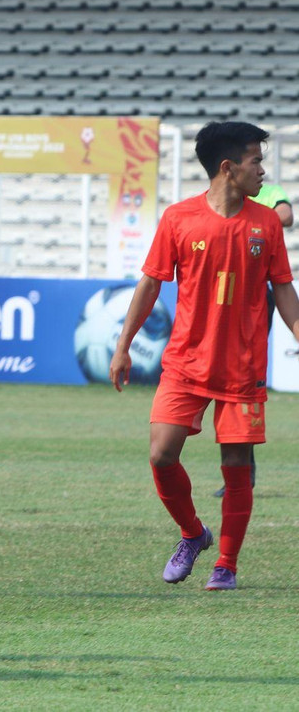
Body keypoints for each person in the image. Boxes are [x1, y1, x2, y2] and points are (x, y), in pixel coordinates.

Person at [110, 121, 299, 591]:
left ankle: (227, 566)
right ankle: (194, 534)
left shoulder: (265, 222)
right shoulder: (179, 219)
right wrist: (123, 345)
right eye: (256, 161)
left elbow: (283, 289)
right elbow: (151, 283)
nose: (263, 170)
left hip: (242, 368)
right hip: (186, 364)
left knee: (236, 468)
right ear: (228, 167)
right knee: (160, 454)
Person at [212, 180, 294, 497]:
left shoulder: (267, 192)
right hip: (220, 295)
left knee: (242, 379)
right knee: (223, 380)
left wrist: (256, 213)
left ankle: (244, 472)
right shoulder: (217, 199)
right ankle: (239, 470)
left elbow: (285, 215)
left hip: (255, 298)